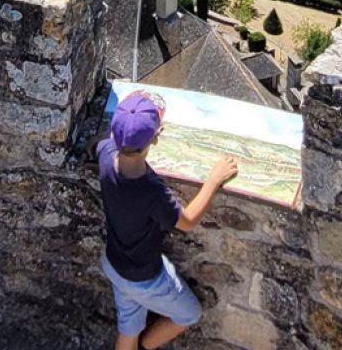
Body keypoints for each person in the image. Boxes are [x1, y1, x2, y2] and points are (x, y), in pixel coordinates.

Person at [97, 91, 239, 350]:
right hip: (145, 278)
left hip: (115, 264)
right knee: (188, 314)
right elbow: (187, 221)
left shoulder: (106, 156)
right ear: (156, 138)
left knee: (128, 326)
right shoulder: (152, 191)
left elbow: (99, 143)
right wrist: (214, 180)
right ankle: (146, 347)